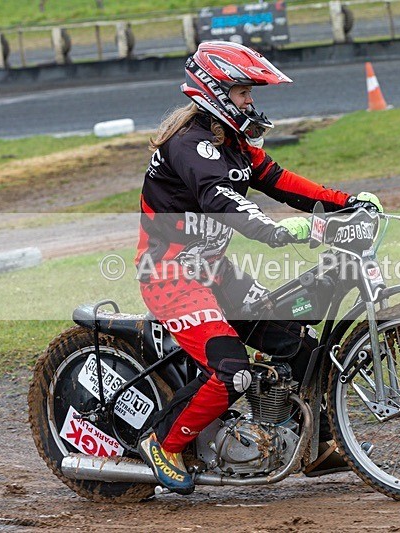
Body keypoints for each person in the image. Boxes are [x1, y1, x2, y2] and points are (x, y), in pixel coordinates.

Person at [135, 41, 383, 494]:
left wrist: (347, 203)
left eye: (251, 92)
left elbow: (280, 180)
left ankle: (317, 443)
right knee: (233, 370)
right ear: (215, 92)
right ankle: (163, 443)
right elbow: (220, 199)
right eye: (243, 92)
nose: (251, 102)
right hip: (171, 275)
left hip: (215, 271)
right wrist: (274, 230)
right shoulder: (189, 145)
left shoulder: (230, 142)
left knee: (298, 346)